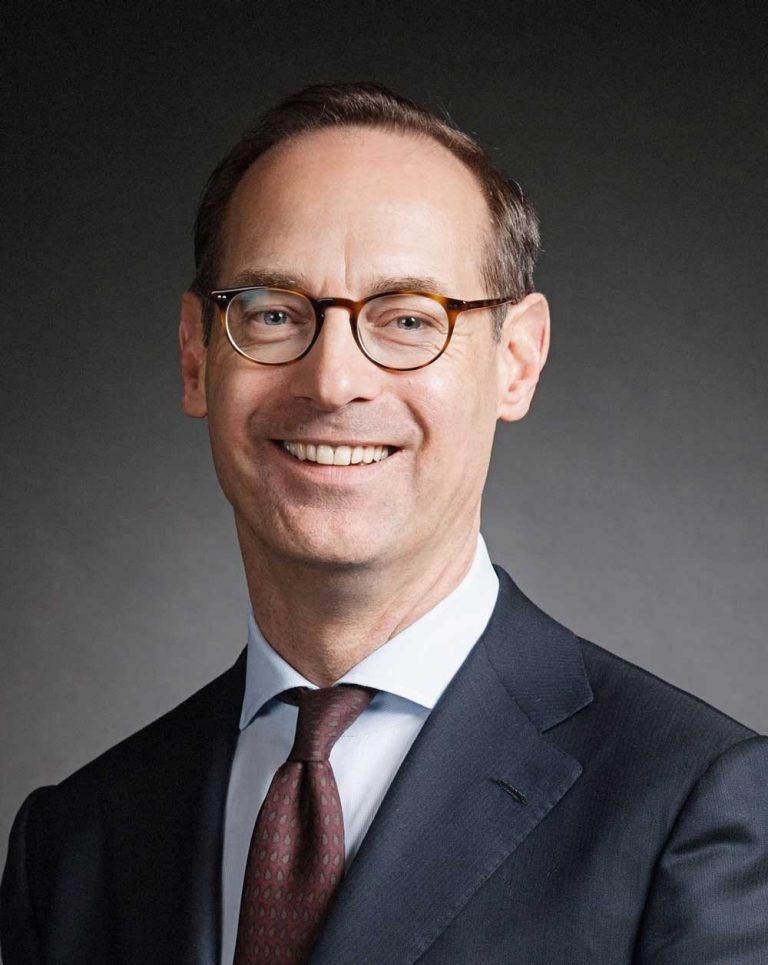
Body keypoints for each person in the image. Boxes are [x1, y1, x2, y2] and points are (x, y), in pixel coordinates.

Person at [2, 81, 766, 965]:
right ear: (196, 356)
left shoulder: (695, 807)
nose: (333, 381)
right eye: (274, 312)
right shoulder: (75, 842)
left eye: (407, 318)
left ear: (517, 360)